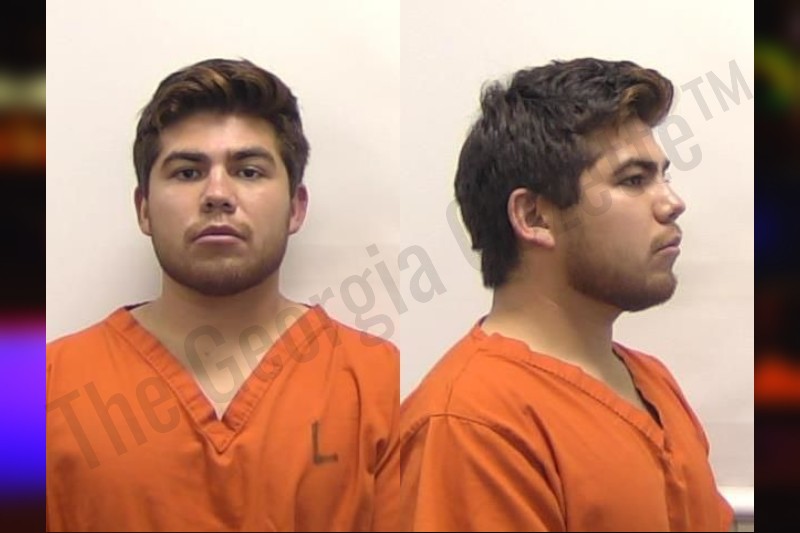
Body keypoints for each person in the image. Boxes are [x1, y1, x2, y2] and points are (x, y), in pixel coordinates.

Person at [46, 58, 399, 532]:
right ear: (144, 209)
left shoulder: (379, 385)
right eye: (187, 173)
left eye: (249, 172)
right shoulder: (38, 392)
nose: (217, 194)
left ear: (296, 208)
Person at [393, 58, 733, 531]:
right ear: (534, 217)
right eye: (634, 180)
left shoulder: (653, 382)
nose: (672, 202)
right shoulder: (471, 425)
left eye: (663, 176)